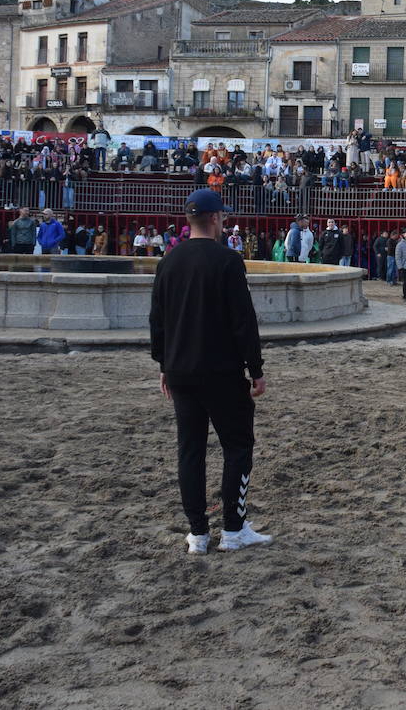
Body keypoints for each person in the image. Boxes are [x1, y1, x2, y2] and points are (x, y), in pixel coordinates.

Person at [150, 188, 270, 555]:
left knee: (190, 450)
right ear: (216, 218)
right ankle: (233, 529)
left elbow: (158, 320)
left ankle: (198, 533)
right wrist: (256, 368)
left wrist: (164, 365)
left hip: (181, 370)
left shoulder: (168, 261)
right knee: (238, 446)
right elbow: (243, 321)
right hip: (221, 371)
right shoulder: (228, 260)